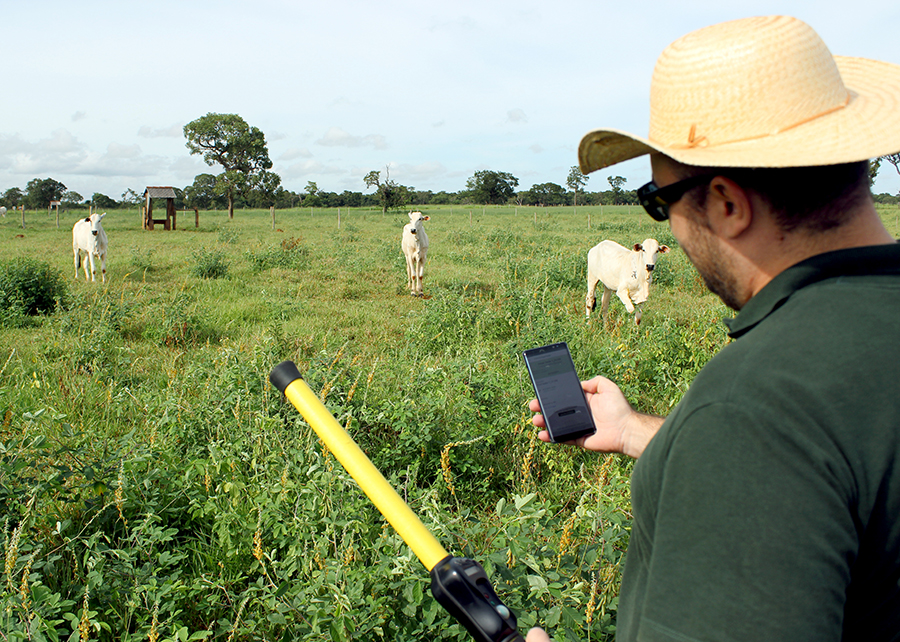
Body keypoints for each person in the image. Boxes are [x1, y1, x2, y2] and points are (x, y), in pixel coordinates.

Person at [526, 15, 900, 642]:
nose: (666, 230)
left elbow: (776, 445)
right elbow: (827, 474)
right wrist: (637, 432)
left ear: (726, 204)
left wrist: (722, 437)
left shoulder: (754, 405)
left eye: (660, 204)